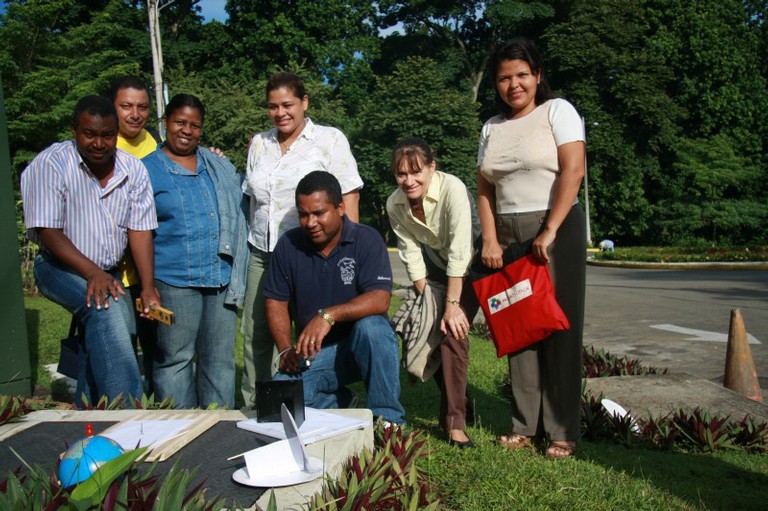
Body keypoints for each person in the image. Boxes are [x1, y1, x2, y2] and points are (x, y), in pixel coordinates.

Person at [476, 37, 586, 458]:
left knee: (559, 326)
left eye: (522, 74)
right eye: (504, 78)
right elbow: (485, 186)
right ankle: (523, 425)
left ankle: (561, 430)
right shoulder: (491, 127)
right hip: (506, 231)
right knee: (517, 325)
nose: (514, 84)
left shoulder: (558, 111)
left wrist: (550, 229)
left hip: (555, 227)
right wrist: (489, 237)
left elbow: (573, 170)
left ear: (538, 76)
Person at [21, 95, 159, 407]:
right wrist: (92, 273)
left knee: (116, 329)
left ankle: (89, 416)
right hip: (57, 266)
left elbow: (139, 231)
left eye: (107, 135)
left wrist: (148, 287)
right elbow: (48, 232)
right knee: (105, 310)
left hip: (105, 272)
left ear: (117, 133)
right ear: (74, 131)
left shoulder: (132, 170)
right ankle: (128, 415)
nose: (99, 143)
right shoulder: (51, 164)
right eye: (90, 134)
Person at [240, 72, 363, 408]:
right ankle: (258, 405)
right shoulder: (259, 144)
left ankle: (318, 394)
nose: (280, 113)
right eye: (272, 106)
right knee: (257, 332)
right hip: (263, 252)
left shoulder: (329, 140)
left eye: (288, 104)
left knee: (310, 329)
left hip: (310, 253)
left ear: (305, 102)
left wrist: (350, 251)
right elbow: (253, 201)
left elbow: (348, 197)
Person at [266, 171, 405, 425]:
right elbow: (276, 301)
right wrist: (285, 348)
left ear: (340, 207)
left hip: (365, 345)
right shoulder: (289, 245)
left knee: (373, 327)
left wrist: (328, 315)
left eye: (319, 213)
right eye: (304, 214)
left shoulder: (366, 239)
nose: (310, 222)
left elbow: (380, 299)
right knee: (280, 402)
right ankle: (342, 402)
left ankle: (388, 421)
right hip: (316, 353)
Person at [142, 94, 247, 409]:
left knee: (219, 359)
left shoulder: (217, 164)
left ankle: (216, 429)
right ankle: (179, 431)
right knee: (176, 357)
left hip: (219, 277)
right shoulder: (147, 170)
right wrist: (148, 287)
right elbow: (140, 230)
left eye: (194, 125)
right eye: (179, 123)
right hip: (174, 281)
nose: (186, 131)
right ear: (165, 124)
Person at [386, 137, 478, 447]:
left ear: (431, 168)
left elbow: (461, 251)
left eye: (416, 172)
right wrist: (427, 299)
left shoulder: (452, 189)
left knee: (453, 331)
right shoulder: (394, 203)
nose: (408, 181)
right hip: (436, 269)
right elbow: (410, 250)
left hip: (473, 266)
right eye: (401, 174)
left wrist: (451, 305)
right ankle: (461, 399)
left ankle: (454, 422)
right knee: (431, 332)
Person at [109, 75, 161, 391]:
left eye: (142, 107)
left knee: (156, 346)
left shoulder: (155, 142)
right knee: (118, 348)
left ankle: (157, 410)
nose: (134, 114)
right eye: (126, 106)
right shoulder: (102, 143)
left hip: (150, 269)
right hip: (114, 269)